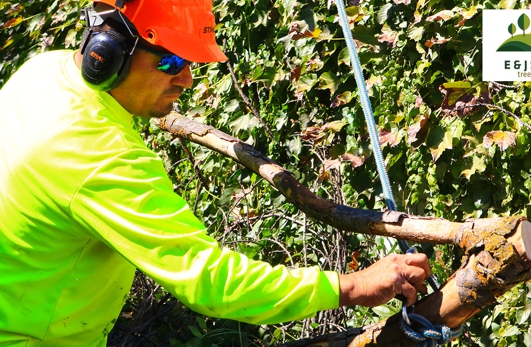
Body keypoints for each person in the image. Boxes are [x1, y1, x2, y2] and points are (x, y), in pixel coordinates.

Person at [0, 0, 431, 345]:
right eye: (170, 62)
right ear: (107, 54)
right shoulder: (97, 156)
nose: (186, 80)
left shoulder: (43, 72)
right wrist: (351, 286)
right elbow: (210, 281)